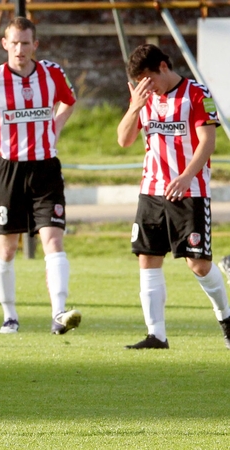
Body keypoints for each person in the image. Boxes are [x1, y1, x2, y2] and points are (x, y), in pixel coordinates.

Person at [117, 44, 230, 350]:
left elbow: (207, 142)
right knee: (148, 259)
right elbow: (124, 140)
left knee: (199, 265)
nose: (146, 87)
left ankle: (226, 318)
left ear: (164, 67)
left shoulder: (196, 94)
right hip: (151, 190)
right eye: (140, 82)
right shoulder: (143, 99)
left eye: (149, 80)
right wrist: (135, 107)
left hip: (189, 190)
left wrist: (186, 176)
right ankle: (157, 335)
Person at [0, 17, 81, 335]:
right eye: (14, 42)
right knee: (7, 247)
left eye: (25, 43)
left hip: (46, 168)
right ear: (4, 44)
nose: (20, 49)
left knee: (53, 239)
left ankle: (59, 313)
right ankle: (10, 317)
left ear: (35, 45)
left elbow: (69, 102)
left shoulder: (51, 73)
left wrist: (55, 126)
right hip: (10, 169)